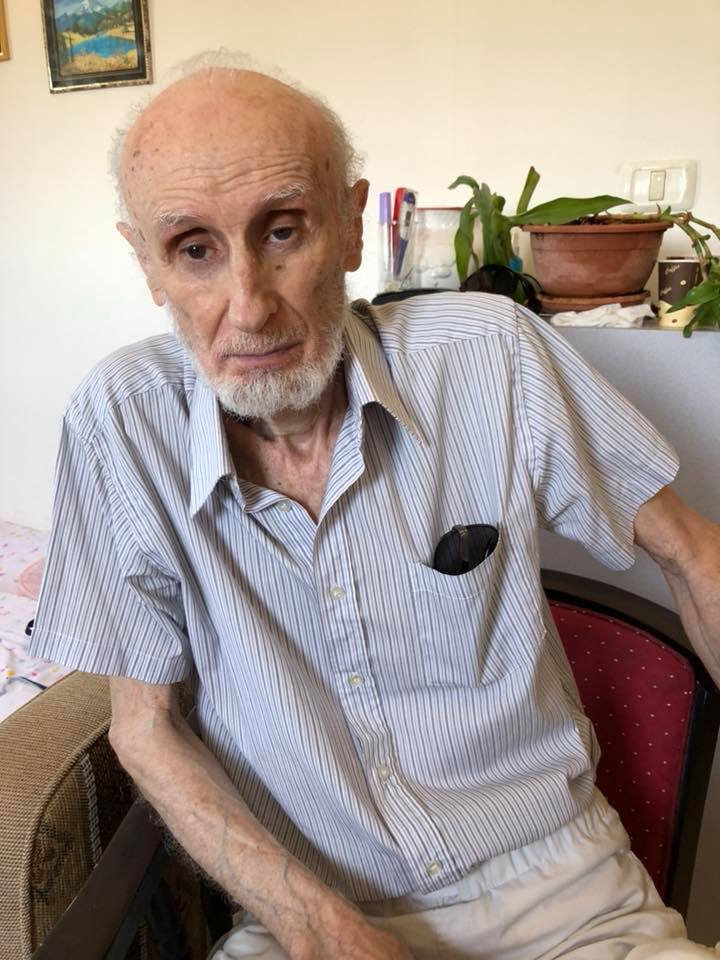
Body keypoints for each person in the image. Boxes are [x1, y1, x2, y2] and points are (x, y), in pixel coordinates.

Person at [29, 52, 720, 960]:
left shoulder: (489, 354)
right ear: (148, 267)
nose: (249, 308)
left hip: (563, 896)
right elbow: (143, 725)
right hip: (305, 912)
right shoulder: (121, 422)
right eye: (195, 249)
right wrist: (318, 927)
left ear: (352, 228)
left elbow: (694, 555)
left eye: (283, 231)